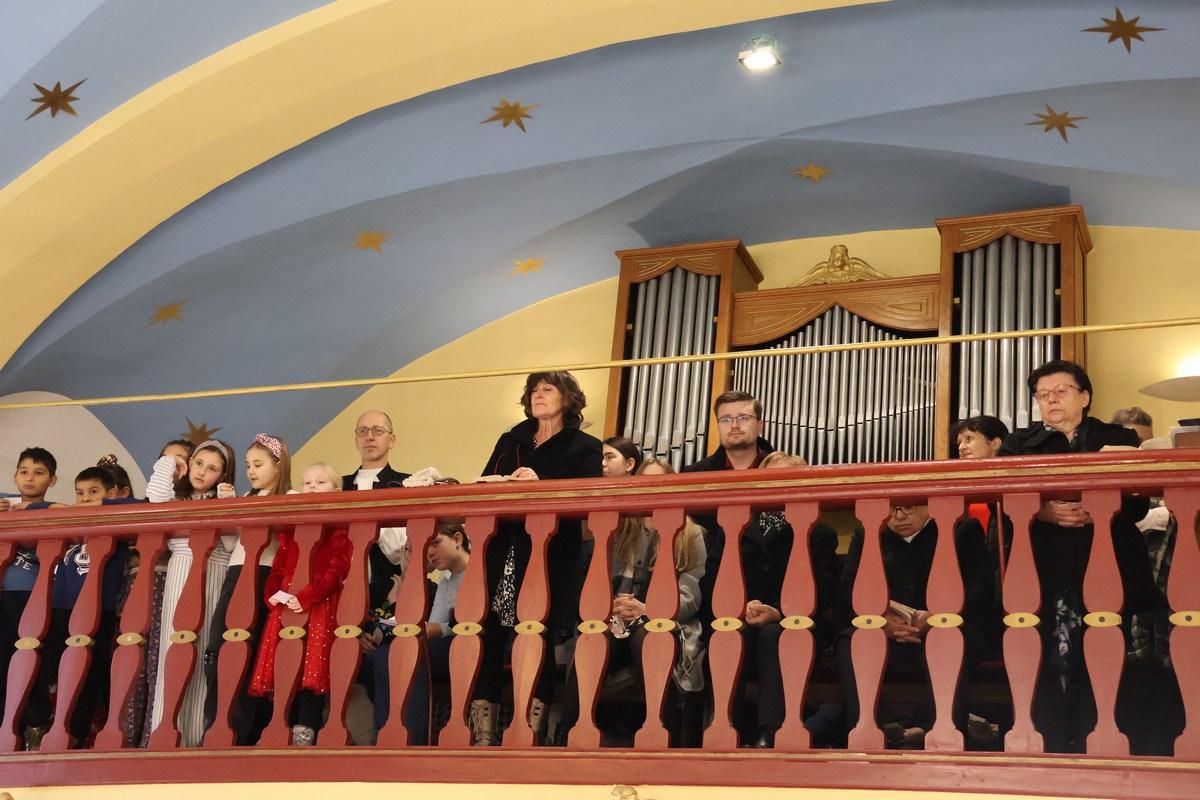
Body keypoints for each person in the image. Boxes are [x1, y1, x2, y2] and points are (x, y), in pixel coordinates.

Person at [998, 359, 1164, 753]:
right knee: (1054, 663)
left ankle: (1108, 744)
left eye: (1061, 391)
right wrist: (1042, 510)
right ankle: (1057, 746)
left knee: (1110, 661)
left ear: (1085, 396)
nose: (1051, 400)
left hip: (1111, 566)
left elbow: (1139, 506)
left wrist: (1104, 505)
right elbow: (1002, 501)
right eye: (1042, 395)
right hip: (1048, 568)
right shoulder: (1018, 444)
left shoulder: (1118, 437)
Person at [472, 371, 603, 745]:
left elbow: (589, 498)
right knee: (491, 630)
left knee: (536, 631)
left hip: (551, 553)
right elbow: (485, 482)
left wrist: (541, 486)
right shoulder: (511, 440)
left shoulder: (585, 446)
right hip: (506, 548)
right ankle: (484, 730)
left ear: (568, 398)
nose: (538, 395)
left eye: (547, 389)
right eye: (533, 391)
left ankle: (531, 729)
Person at [834, 503, 994, 748]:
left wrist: (937, 617)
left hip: (946, 629)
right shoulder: (868, 532)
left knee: (949, 642)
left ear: (928, 504)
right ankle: (863, 736)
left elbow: (982, 588)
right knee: (851, 640)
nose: (899, 516)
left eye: (908, 507)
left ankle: (946, 737)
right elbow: (848, 590)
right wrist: (882, 621)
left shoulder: (961, 529)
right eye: (892, 508)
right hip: (887, 634)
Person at [21, 466, 132, 749]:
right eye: (80, 493)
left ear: (111, 494)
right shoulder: (70, 521)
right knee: (41, 666)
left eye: (93, 492)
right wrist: (55, 507)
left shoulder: (118, 521)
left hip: (97, 611)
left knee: (87, 674)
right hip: (60, 608)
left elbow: (141, 505)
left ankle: (76, 734)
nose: (85, 499)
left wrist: (103, 506)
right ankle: (38, 723)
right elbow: (33, 511)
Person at [737, 453, 841, 748]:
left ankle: (771, 732)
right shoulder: (737, 526)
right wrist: (741, 605)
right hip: (742, 615)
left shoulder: (819, 532)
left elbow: (825, 588)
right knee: (731, 634)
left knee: (774, 634)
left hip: (802, 621)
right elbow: (714, 577)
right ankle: (726, 726)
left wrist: (780, 612)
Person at [247, 463, 353, 746]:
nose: (313, 487)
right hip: (286, 605)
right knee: (281, 663)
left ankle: (304, 728)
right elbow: (279, 567)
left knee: (312, 667)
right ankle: (276, 726)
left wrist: (308, 596)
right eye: (307, 483)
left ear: (337, 492)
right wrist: (272, 593)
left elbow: (336, 571)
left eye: (321, 482)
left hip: (318, 607)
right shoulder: (292, 531)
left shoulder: (340, 531)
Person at [142, 439, 237, 747]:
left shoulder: (224, 499)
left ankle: (194, 738)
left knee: (204, 653)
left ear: (223, 475)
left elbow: (232, 545)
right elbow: (155, 496)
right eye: (198, 463)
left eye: (212, 468)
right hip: (181, 571)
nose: (202, 472)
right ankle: (164, 734)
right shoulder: (178, 499)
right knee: (174, 651)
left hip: (215, 573)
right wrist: (172, 463)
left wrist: (228, 505)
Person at [203, 434, 292, 743]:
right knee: (218, 647)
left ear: (278, 465)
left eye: (258, 464)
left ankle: (243, 733)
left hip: (264, 576)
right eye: (248, 465)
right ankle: (216, 724)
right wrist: (229, 507)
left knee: (251, 653)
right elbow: (232, 544)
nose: (251, 471)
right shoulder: (247, 496)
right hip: (236, 573)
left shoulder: (289, 496)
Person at [369, 522, 470, 745]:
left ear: (458, 540)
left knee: (410, 653)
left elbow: (464, 623)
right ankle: (387, 738)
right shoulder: (446, 583)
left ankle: (412, 740)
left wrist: (436, 629)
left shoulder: (477, 571)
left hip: (467, 644)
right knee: (388, 654)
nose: (429, 552)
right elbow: (434, 625)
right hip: (442, 644)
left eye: (435, 543)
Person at [682, 391, 776, 630]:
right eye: (725, 419)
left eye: (743, 417)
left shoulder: (780, 469)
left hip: (773, 587)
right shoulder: (695, 475)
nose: (734, 425)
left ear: (760, 425)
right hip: (714, 587)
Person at [0, 447, 59, 718]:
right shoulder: (4, 504)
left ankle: (33, 722)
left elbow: (69, 511)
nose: (30, 478)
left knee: (30, 656)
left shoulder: (52, 510)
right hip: (4, 593)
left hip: (32, 594)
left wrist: (35, 509)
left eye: (39, 473)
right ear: (14, 477)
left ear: (52, 480)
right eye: (23, 472)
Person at [342, 410, 411, 612]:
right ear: (356, 441)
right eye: (363, 431)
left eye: (378, 431)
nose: (369, 437)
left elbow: (404, 550)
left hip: (392, 589)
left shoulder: (406, 483)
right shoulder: (340, 485)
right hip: (342, 589)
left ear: (392, 440)